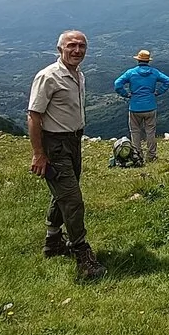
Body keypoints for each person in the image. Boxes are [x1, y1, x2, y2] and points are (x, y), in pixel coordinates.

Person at [27, 30, 105, 281]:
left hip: (73, 141)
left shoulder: (78, 75)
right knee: (72, 199)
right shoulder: (48, 76)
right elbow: (34, 116)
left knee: (63, 192)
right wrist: (39, 153)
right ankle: (82, 253)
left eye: (82, 46)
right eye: (72, 45)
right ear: (59, 49)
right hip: (55, 144)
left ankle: (53, 241)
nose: (77, 50)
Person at [113, 49, 169, 164]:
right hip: (150, 106)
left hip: (135, 107)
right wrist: (158, 92)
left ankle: (137, 156)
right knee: (150, 132)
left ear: (138, 60)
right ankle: (151, 155)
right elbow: (167, 81)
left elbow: (117, 84)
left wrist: (125, 94)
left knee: (135, 132)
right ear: (148, 61)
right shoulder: (154, 72)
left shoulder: (131, 72)